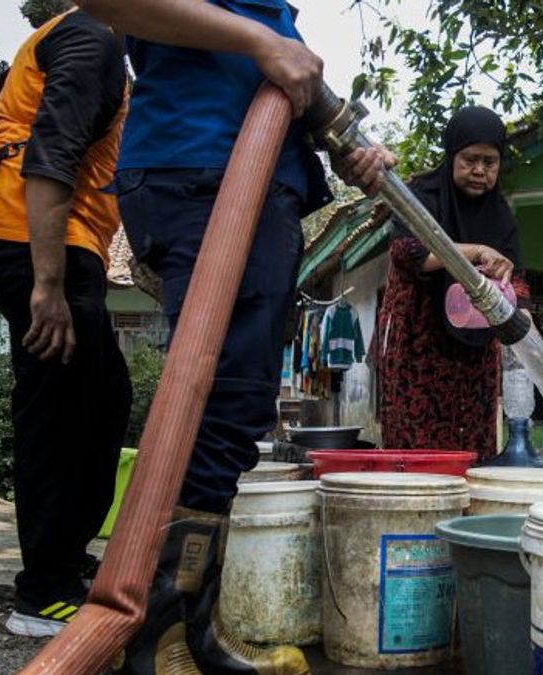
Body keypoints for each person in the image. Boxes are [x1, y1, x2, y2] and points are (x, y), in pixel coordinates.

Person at [74, 0, 392, 672]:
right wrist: (256, 39)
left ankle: (190, 625)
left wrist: (353, 148)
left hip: (238, 178)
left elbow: (289, 84)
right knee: (219, 402)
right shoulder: (246, 22)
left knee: (235, 406)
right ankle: (151, 632)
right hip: (205, 172)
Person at [0, 5, 131, 638]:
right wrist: (47, 283)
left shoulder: (79, 36)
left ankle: (61, 562)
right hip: (31, 238)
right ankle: (42, 592)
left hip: (52, 240)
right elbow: (50, 152)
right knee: (63, 408)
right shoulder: (92, 40)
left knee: (98, 398)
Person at [373, 105, 528, 456]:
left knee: (472, 451)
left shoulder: (500, 214)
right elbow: (409, 254)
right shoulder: (421, 197)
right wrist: (475, 252)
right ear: (452, 154)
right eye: (470, 159)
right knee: (417, 449)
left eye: (490, 162)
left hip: (475, 357)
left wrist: (522, 311)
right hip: (419, 349)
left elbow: (516, 278)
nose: (479, 171)